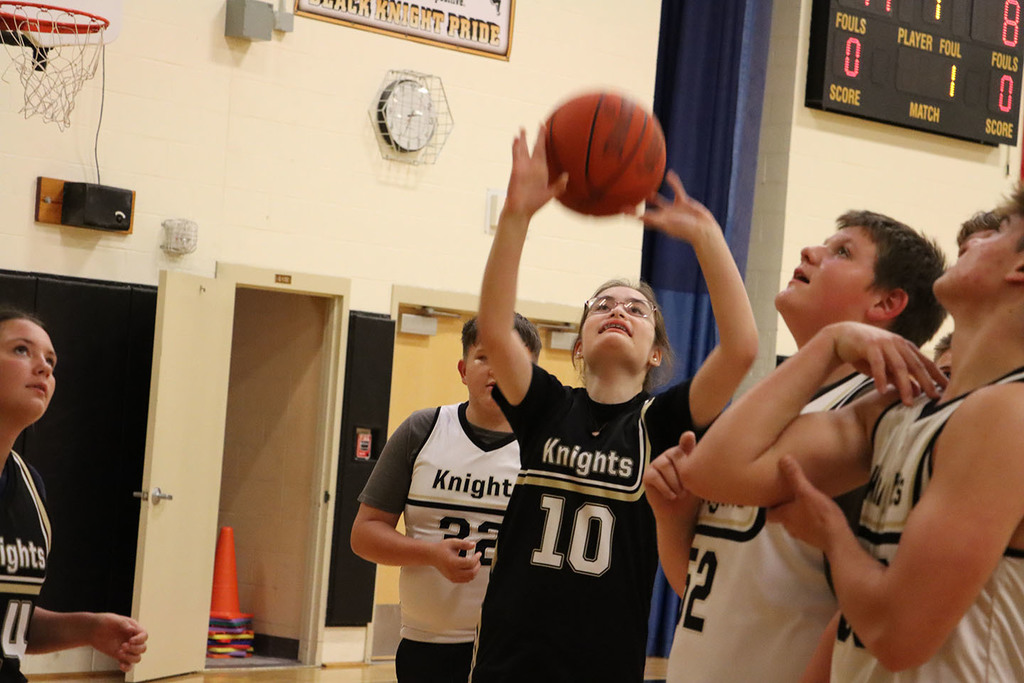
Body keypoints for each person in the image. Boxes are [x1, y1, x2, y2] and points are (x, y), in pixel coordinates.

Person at [671, 186, 1024, 680]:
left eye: (1001, 233)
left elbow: (900, 637)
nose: (971, 241)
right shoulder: (899, 410)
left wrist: (833, 536)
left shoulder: (1009, 414)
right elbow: (714, 473)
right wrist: (829, 344)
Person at [469, 127, 758, 682]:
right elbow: (497, 330)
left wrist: (707, 239)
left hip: (603, 662)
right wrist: (516, 217)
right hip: (508, 659)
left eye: (637, 309)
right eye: (602, 306)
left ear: (655, 355)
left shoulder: (664, 420)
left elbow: (742, 348)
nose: (618, 311)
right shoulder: (546, 405)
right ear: (579, 344)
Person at [645, 210, 946, 683]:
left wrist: (830, 341)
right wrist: (674, 520)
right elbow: (711, 590)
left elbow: (856, 616)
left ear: (888, 302)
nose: (811, 251)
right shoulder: (781, 406)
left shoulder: (879, 412)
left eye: (842, 251)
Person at [350, 314, 541, 683]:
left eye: (513, 357)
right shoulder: (422, 430)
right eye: (485, 356)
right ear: (463, 369)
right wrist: (431, 555)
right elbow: (364, 535)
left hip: (516, 646)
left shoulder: (545, 447)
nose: (497, 369)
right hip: (427, 644)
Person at [0, 307, 147, 682]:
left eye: (50, 360)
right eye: (21, 350)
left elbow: (11, 621)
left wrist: (89, 628)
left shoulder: (30, 486)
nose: (44, 368)